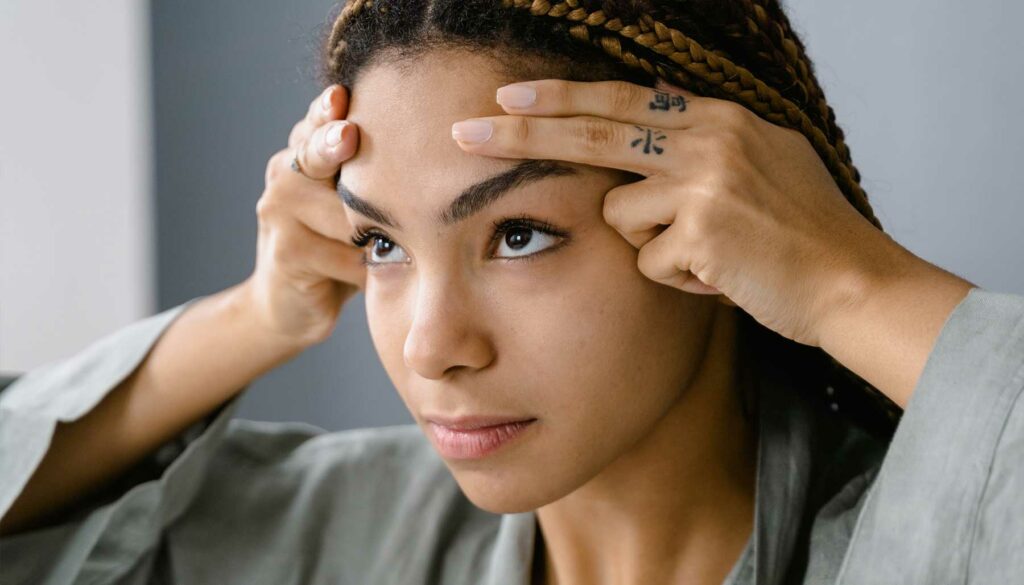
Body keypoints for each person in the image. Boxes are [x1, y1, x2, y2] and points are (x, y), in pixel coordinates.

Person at [1, 1, 1022, 583]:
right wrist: (258, 313)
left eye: (519, 233)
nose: (429, 346)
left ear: (705, 223)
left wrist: (846, 281)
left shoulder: (925, 545)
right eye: (381, 245)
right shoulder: (342, 537)